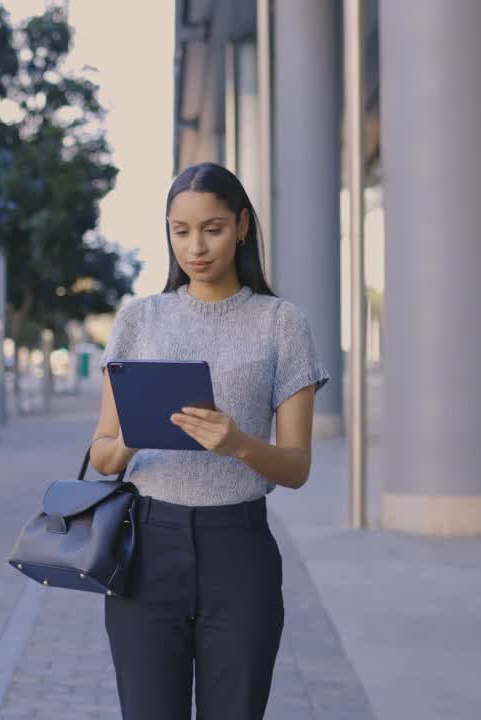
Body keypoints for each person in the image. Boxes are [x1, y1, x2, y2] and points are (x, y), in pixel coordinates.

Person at [90, 161, 329, 719]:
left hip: (238, 551)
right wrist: (132, 435)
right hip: (145, 548)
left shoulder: (282, 323)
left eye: (212, 228)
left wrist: (238, 443)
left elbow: (296, 468)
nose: (195, 246)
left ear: (242, 226)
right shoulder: (138, 320)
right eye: (181, 231)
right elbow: (102, 456)